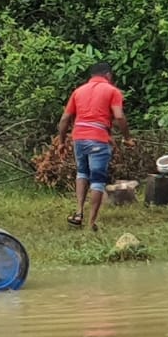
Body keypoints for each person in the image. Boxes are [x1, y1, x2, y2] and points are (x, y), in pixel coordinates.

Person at [57, 61, 133, 231]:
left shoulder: (78, 91)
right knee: (97, 180)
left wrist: (61, 143)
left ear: (91, 76)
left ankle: (78, 213)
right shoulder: (112, 91)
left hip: (79, 138)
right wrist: (127, 137)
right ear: (108, 75)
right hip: (97, 140)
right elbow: (119, 117)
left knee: (82, 173)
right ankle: (91, 222)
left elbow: (64, 120)